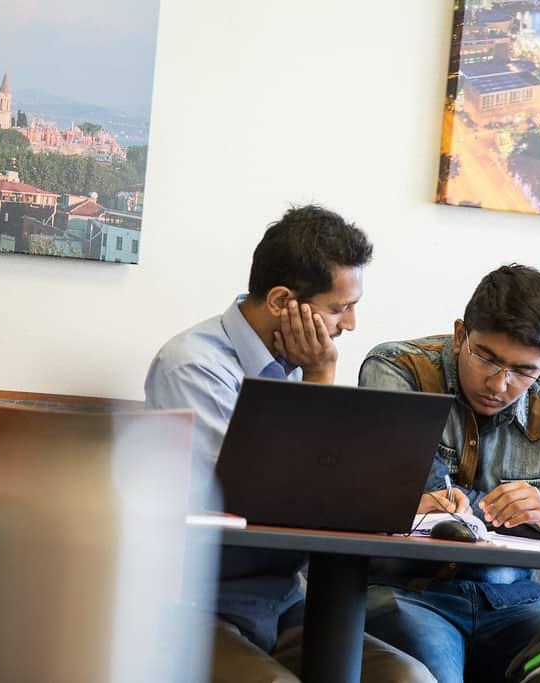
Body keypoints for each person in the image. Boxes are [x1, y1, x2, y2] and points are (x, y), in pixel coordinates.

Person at [145, 205, 433, 683]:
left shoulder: (291, 361)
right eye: (339, 308)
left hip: (285, 602)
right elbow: (270, 499)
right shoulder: (193, 368)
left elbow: (329, 493)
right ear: (282, 300)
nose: (351, 325)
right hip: (199, 607)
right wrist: (321, 376)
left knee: (409, 678)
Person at [359, 264, 540, 683]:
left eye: (523, 371)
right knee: (428, 672)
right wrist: (515, 518)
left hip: (515, 601)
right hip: (407, 592)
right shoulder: (397, 369)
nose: (499, 383)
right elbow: (421, 491)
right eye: (486, 358)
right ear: (460, 334)